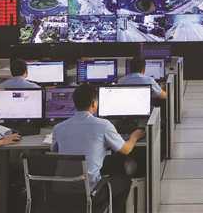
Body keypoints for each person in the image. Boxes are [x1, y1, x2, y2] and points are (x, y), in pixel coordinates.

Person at [52, 84, 145, 212]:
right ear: (94, 104)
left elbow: (54, 150)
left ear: (74, 103)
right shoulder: (103, 125)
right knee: (124, 181)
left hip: (61, 191)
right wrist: (134, 136)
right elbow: (126, 150)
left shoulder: (59, 128)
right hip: (90, 193)